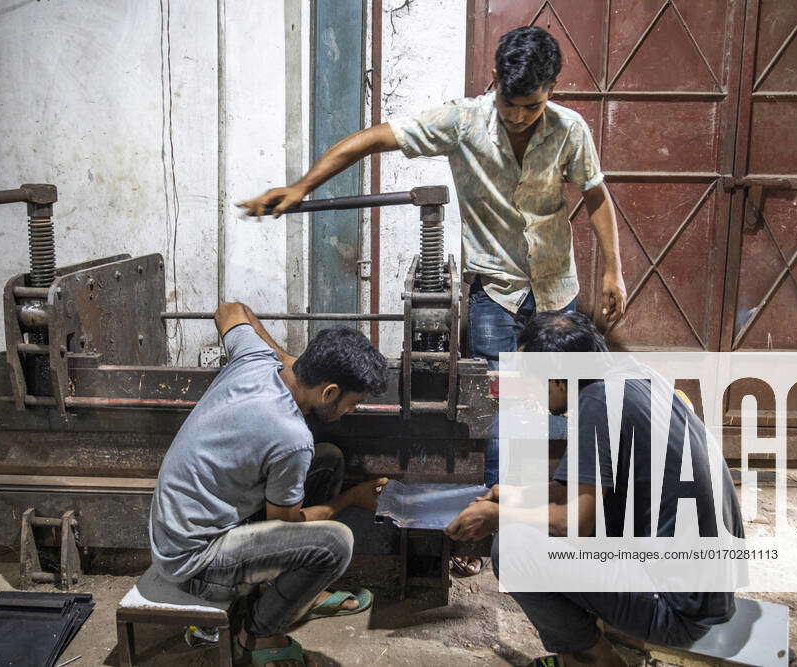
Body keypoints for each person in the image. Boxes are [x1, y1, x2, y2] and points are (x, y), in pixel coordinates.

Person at [241, 25, 627, 576]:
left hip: (556, 290)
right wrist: (302, 186)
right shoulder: (462, 121)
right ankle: (491, 529)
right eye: (511, 105)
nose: (520, 117)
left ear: (552, 89)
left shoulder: (570, 130)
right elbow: (371, 139)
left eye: (533, 106)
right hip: (494, 294)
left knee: (574, 406)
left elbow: (596, 196)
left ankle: (569, 518)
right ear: (494, 81)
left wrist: (612, 269)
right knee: (500, 412)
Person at [444, 311, 745, 667]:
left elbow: (573, 522)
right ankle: (617, 624)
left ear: (559, 379)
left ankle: (592, 660)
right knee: (559, 515)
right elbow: (577, 491)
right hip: (708, 594)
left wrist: (498, 515)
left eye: (532, 379)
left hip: (678, 610)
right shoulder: (632, 375)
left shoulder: (598, 402)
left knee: (513, 547)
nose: (528, 390)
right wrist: (511, 495)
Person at [150, 302, 389, 667]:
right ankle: (261, 632)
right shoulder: (290, 436)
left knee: (327, 460)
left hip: (180, 531)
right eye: (353, 403)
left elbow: (230, 310)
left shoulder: (255, 357)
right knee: (335, 545)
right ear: (329, 393)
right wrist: (352, 498)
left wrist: (286, 357)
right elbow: (286, 526)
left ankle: (300, 593)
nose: (352, 411)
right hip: (195, 563)